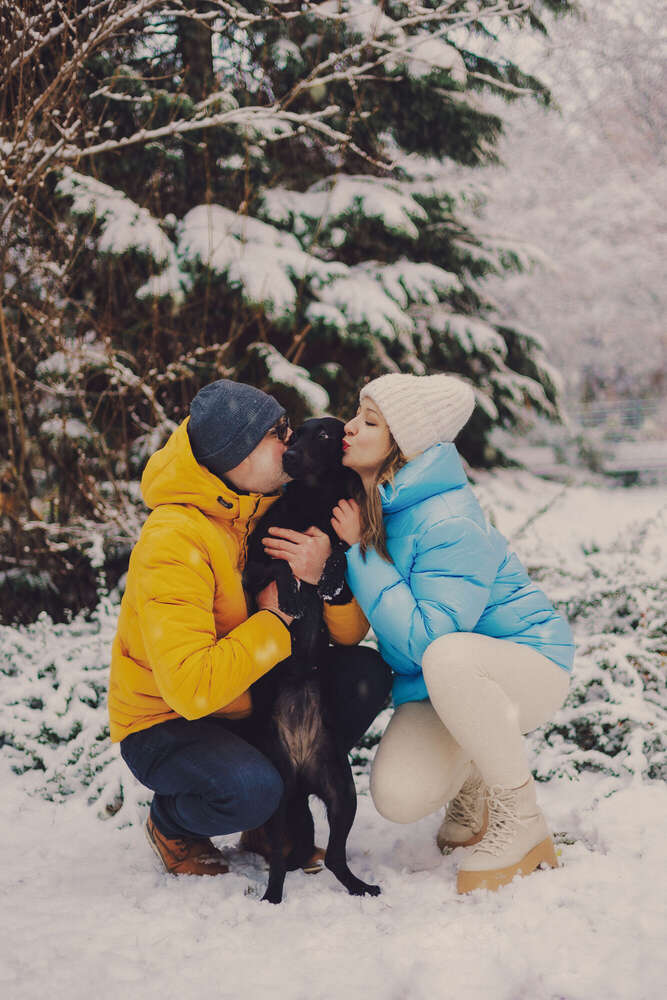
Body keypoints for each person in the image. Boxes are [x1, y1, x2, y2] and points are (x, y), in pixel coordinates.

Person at [108, 379, 391, 876]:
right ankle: (173, 824)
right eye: (276, 433)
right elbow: (192, 690)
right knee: (249, 789)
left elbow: (348, 638)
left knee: (363, 672)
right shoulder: (173, 541)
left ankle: (274, 813)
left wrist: (327, 576)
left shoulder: (263, 507)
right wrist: (273, 620)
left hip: (244, 698)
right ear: (235, 454)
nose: (290, 442)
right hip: (169, 722)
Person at [330, 373, 574, 894]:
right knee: (397, 796)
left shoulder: (448, 521)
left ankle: (521, 818)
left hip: (526, 665)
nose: (350, 428)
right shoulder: (381, 507)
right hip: (441, 682)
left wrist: (362, 554)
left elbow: (426, 641)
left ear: (404, 445)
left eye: (370, 421)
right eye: (357, 413)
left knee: (446, 655)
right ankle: (473, 782)